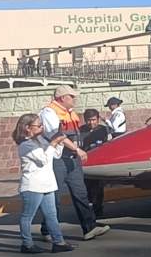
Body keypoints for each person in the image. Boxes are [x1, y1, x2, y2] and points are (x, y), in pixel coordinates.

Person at [39, 85, 110, 241]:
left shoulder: (69, 112)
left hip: (72, 159)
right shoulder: (49, 113)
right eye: (72, 96)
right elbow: (56, 135)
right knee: (55, 196)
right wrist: (77, 150)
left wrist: (77, 151)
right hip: (58, 159)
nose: (75, 99)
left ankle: (89, 228)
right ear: (62, 98)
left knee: (81, 194)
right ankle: (48, 230)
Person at [13, 113, 74, 253]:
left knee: (51, 215)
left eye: (41, 125)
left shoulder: (40, 140)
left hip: (47, 183)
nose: (41, 127)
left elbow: (55, 155)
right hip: (33, 185)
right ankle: (27, 244)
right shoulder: (26, 145)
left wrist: (58, 141)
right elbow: (43, 160)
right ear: (28, 128)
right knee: (28, 216)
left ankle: (58, 242)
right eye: (38, 125)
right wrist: (53, 143)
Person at [79, 109, 110, 217]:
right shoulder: (81, 130)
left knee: (98, 188)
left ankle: (98, 209)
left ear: (97, 119)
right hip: (84, 163)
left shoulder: (103, 130)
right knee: (86, 188)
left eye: (93, 120)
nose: (91, 123)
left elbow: (107, 145)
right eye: (88, 120)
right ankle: (88, 210)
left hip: (98, 163)